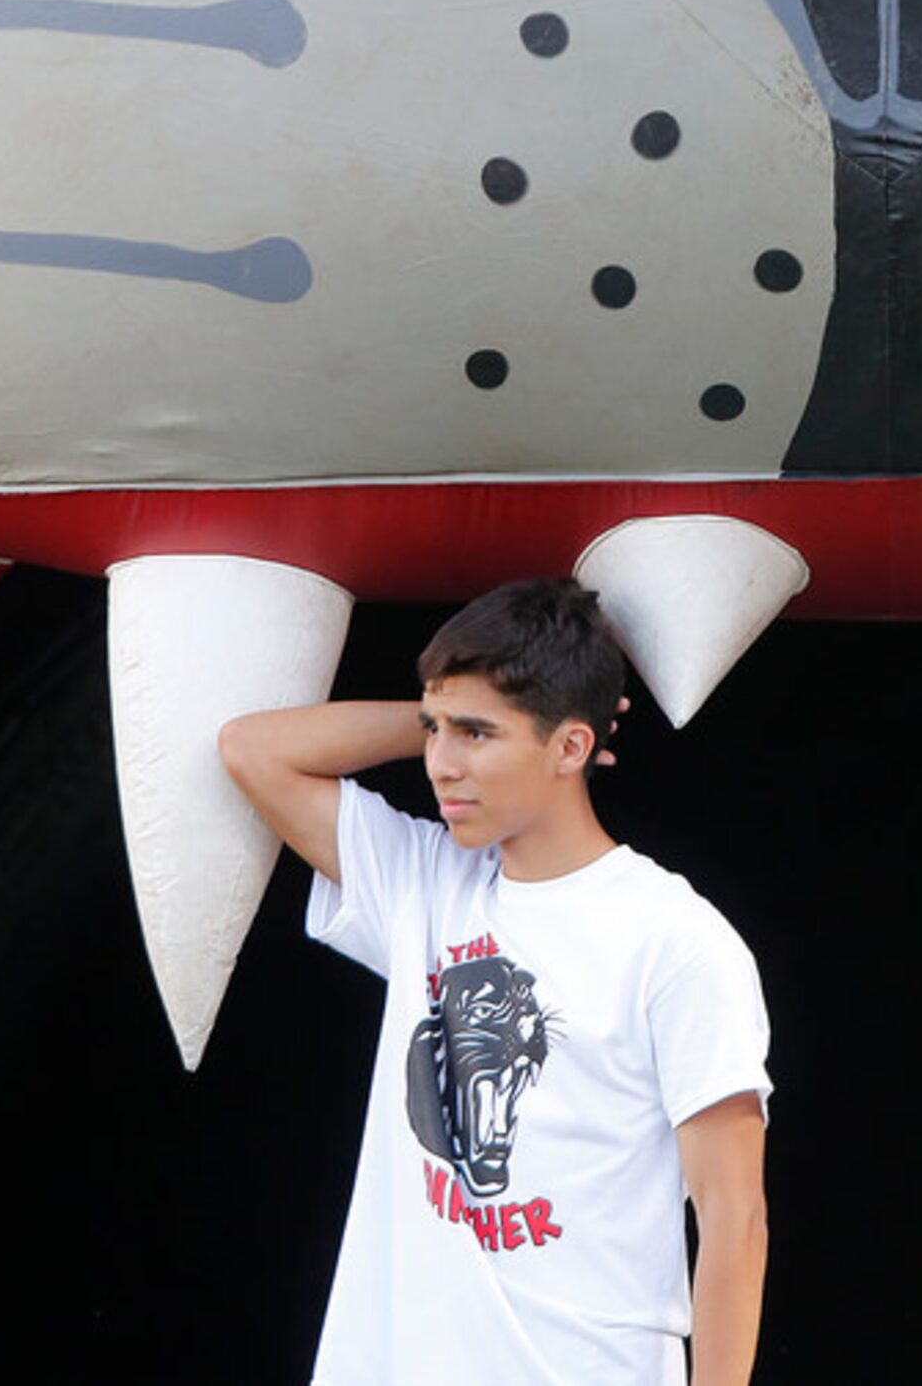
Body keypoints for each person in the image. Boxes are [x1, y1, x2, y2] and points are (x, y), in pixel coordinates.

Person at [221, 577, 771, 1386]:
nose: (444, 764)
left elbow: (734, 1218)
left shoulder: (676, 941)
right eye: (435, 729)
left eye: (477, 734)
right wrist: (438, 720)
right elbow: (252, 750)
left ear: (573, 747)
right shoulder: (428, 882)